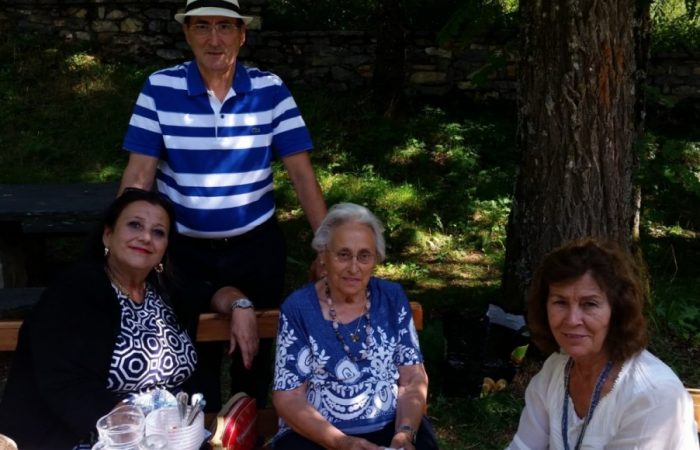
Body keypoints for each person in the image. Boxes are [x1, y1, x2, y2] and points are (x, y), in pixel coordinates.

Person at [118, 0, 327, 410]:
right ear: (187, 34)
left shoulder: (270, 89)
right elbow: (139, 175)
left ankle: (250, 428)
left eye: (225, 27)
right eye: (202, 27)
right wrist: (117, 251)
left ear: (242, 34)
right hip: (182, 249)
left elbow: (302, 175)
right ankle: (198, 431)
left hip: (255, 246)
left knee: (256, 353)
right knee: (189, 354)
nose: (214, 39)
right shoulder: (159, 87)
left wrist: (325, 246)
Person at [0, 189, 197, 449]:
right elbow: (62, 382)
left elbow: (206, 293)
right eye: (134, 225)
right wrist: (135, 428)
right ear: (108, 234)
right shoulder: (75, 291)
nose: (146, 237)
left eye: (158, 232)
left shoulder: (163, 291)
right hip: (83, 437)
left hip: (164, 437)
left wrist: (237, 303)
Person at [272, 203, 439, 450]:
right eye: (343, 254)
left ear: (375, 259)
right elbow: (289, 397)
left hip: (390, 429)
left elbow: (413, 377)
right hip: (317, 435)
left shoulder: (391, 299)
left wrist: (405, 432)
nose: (353, 267)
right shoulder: (298, 308)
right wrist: (341, 442)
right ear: (322, 255)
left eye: (364, 256)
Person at [507, 238, 699, 450]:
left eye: (589, 304)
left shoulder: (652, 393)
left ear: (617, 311)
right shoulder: (555, 369)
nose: (572, 320)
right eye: (560, 302)